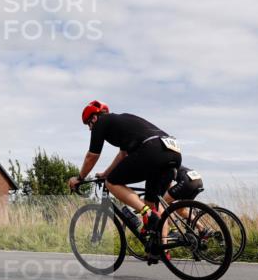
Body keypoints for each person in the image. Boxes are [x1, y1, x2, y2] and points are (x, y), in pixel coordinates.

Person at [67, 101, 182, 258]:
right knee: (152, 203)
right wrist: (106, 173)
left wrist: (79, 178)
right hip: (173, 153)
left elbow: (92, 156)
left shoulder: (101, 122)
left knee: (112, 183)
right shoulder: (123, 122)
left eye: (88, 123)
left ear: (94, 118)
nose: (89, 128)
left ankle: (147, 214)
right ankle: (162, 249)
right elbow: (122, 155)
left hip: (152, 150)